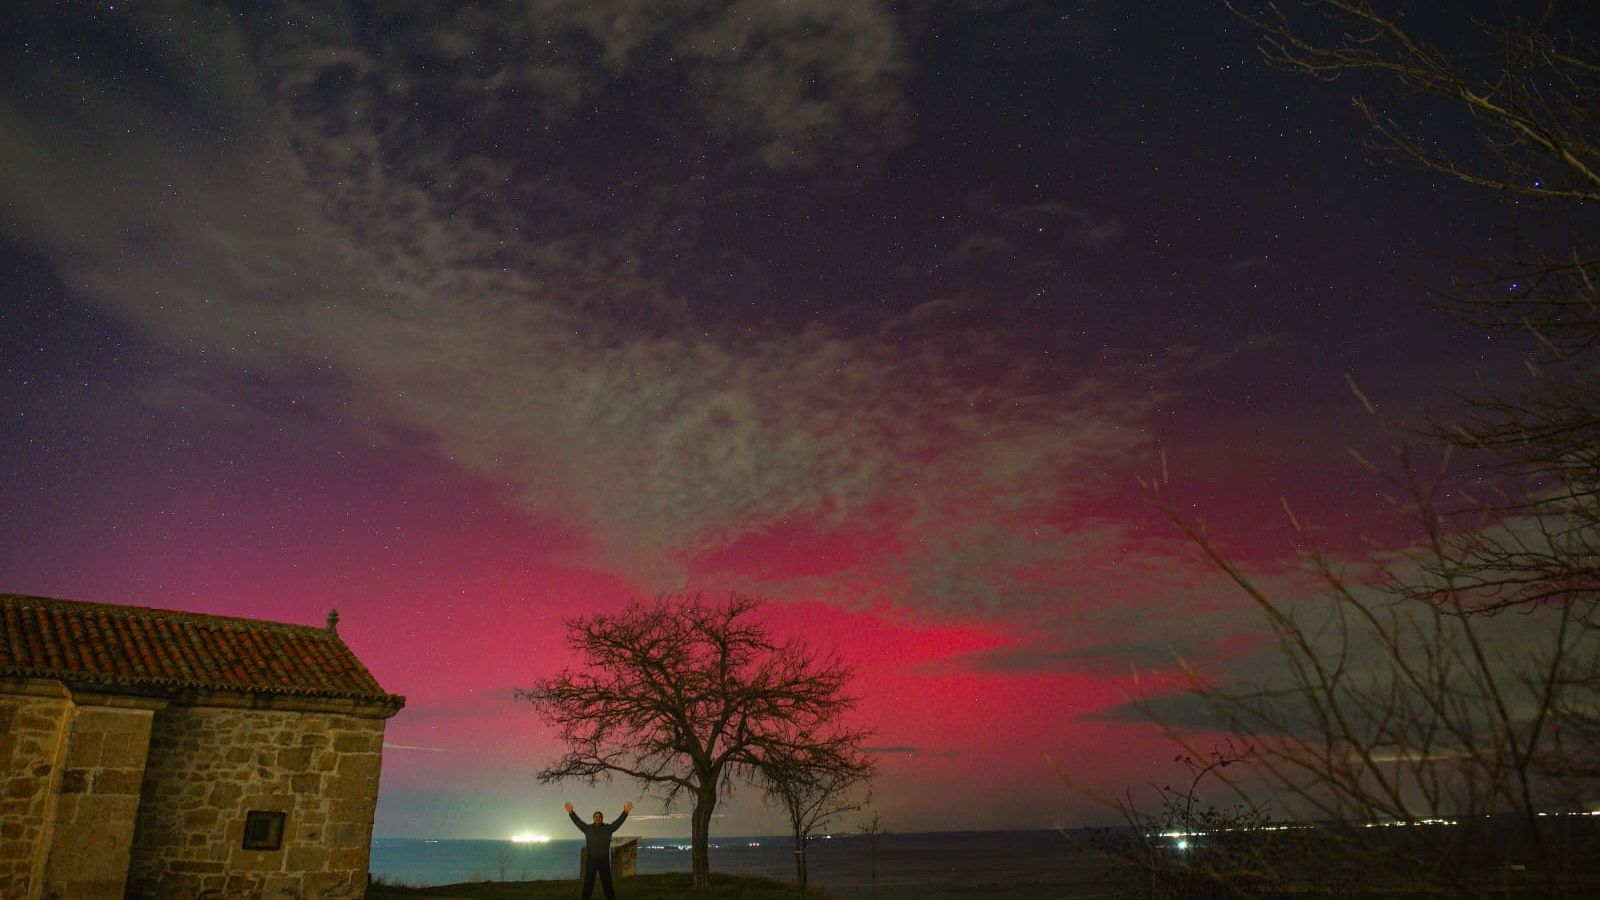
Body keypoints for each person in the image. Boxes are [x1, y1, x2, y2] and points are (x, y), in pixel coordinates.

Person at [566, 799, 632, 900]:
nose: (598, 818)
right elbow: (578, 822)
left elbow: (618, 822)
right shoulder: (588, 829)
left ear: (602, 818)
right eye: (596, 816)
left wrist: (625, 812)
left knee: (607, 883)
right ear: (593, 818)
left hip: (604, 861)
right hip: (591, 861)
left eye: (599, 816)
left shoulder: (608, 828)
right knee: (588, 883)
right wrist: (571, 813)